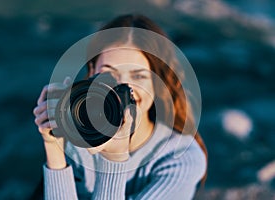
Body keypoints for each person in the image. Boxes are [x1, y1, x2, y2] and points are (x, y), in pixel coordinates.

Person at [33, 14, 207, 200]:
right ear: (92, 72)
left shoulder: (181, 158)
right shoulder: (77, 139)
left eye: (138, 76)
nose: (123, 89)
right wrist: (54, 147)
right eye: (109, 75)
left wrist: (114, 158)